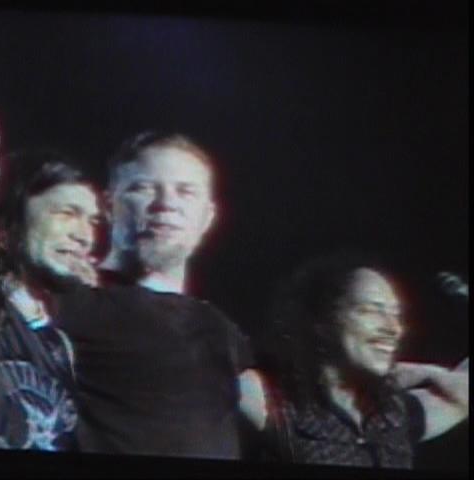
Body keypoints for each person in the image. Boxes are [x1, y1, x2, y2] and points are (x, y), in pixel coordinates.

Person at [54, 132, 253, 459]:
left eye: (185, 191)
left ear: (207, 217)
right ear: (108, 205)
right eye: (143, 188)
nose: (166, 204)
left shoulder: (220, 328)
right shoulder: (66, 298)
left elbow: (279, 420)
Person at [237, 252, 469, 468]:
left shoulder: (393, 414)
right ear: (322, 322)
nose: (394, 328)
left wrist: (426, 373)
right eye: (372, 310)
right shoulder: (268, 398)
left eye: (396, 314)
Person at [0, 151, 102, 451]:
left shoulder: (61, 341)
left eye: (92, 221)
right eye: (67, 213)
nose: (85, 236)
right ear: (11, 218)